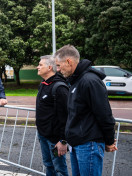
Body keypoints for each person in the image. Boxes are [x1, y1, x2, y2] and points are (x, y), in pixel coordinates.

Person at [54, 45, 117, 176]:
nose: (58, 70)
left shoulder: (89, 81)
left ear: (69, 62)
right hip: (78, 144)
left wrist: (110, 141)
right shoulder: (76, 81)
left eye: (59, 65)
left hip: (88, 145)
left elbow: (104, 114)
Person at [36, 55, 69, 176]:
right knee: (49, 165)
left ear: (50, 67)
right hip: (43, 135)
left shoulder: (59, 88)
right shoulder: (44, 84)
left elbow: (66, 116)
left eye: (40, 65)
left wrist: (63, 141)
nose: (37, 67)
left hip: (55, 140)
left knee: (59, 169)